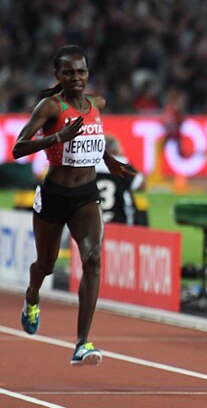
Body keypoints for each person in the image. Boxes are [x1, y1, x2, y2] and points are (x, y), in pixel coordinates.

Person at [12, 45, 137, 366]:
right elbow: (18, 148)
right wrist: (56, 138)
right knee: (47, 265)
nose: (76, 77)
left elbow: (92, 142)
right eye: (69, 72)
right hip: (55, 195)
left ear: (87, 73)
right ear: (58, 75)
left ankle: (82, 343)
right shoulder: (50, 107)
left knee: (93, 258)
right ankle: (32, 297)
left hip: (86, 195)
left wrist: (112, 162)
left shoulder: (97, 104)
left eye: (81, 71)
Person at [95, 135, 147, 225]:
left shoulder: (90, 164)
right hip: (120, 221)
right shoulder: (121, 164)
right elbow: (141, 185)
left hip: (93, 222)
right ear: (115, 149)